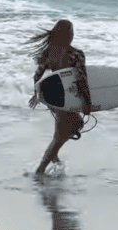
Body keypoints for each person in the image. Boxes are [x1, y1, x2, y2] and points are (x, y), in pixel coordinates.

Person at [27, 20, 91, 175]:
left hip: (51, 97)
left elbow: (37, 76)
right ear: (68, 35)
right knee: (66, 131)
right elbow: (81, 80)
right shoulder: (76, 54)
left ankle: (53, 157)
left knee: (70, 127)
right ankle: (41, 169)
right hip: (66, 98)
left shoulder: (49, 53)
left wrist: (39, 95)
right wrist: (86, 103)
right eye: (72, 32)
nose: (73, 35)